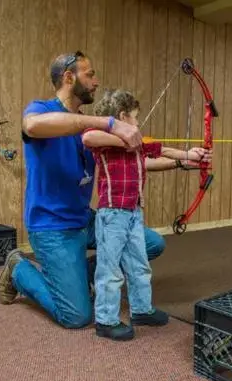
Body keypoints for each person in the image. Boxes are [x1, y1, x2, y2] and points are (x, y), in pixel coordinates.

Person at [0, 51, 161, 329]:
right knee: (77, 316)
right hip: (52, 228)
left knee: (152, 243)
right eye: (90, 74)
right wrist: (108, 122)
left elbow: (136, 159)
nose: (96, 81)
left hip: (85, 221)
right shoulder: (41, 110)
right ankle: (19, 269)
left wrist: (184, 161)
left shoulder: (87, 126)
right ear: (69, 78)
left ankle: (79, 273)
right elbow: (32, 126)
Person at [82, 89, 211, 340]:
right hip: (112, 214)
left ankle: (141, 309)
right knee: (110, 270)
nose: (138, 123)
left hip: (133, 212)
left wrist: (188, 155)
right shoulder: (103, 141)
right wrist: (127, 138)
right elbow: (87, 137)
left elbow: (158, 149)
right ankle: (105, 320)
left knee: (139, 265)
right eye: (135, 118)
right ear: (122, 116)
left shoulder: (138, 145)